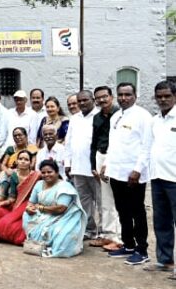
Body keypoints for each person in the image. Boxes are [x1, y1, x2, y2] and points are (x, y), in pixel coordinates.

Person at [103, 83, 152, 265]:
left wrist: (138, 170)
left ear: (135, 96)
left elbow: (147, 146)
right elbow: (112, 144)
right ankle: (128, 245)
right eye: (121, 95)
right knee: (122, 211)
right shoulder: (116, 116)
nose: (124, 98)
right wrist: (106, 164)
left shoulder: (143, 116)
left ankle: (142, 250)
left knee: (137, 212)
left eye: (128, 94)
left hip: (133, 174)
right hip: (116, 172)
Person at [23, 159, 87, 258]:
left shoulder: (65, 187)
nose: (46, 175)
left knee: (62, 241)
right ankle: (37, 243)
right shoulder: (39, 184)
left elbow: (61, 209)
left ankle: (48, 245)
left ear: (57, 173)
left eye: (49, 172)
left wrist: (41, 208)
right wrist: (29, 208)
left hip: (63, 217)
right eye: (43, 172)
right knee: (26, 215)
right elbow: (31, 202)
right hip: (43, 214)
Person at [144, 81, 176, 276]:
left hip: (174, 178)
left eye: (167, 96)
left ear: (175, 96)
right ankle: (165, 260)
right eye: (159, 97)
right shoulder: (155, 120)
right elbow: (148, 147)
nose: (163, 100)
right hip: (157, 177)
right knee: (161, 221)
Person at [64, 90, 102, 242]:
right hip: (78, 167)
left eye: (85, 100)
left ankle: (104, 232)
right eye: (79, 101)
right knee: (84, 202)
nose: (82, 103)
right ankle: (89, 229)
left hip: (95, 168)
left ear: (93, 100)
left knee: (101, 201)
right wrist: (68, 163)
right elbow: (69, 142)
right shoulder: (74, 118)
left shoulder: (100, 116)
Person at [89, 85, 123, 251]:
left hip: (116, 158)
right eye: (98, 98)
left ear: (111, 97)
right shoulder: (97, 117)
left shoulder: (120, 115)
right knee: (105, 199)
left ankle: (119, 237)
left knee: (117, 199)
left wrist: (109, 161)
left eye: (104, 96)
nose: (101, 100)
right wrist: (93, 164)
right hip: (100, 156)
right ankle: (108, 234)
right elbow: (94, 142)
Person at [0, 150, 41, 245]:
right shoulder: (14, 175)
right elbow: (12, 197)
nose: (23, 161)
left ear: (31, 162)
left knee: (13, 226)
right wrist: (2, 203)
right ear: (17, 161)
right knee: (3, 222)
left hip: (32, 204)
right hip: (17, 204)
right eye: (20, 159)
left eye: (26, 159)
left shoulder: (37, 176)